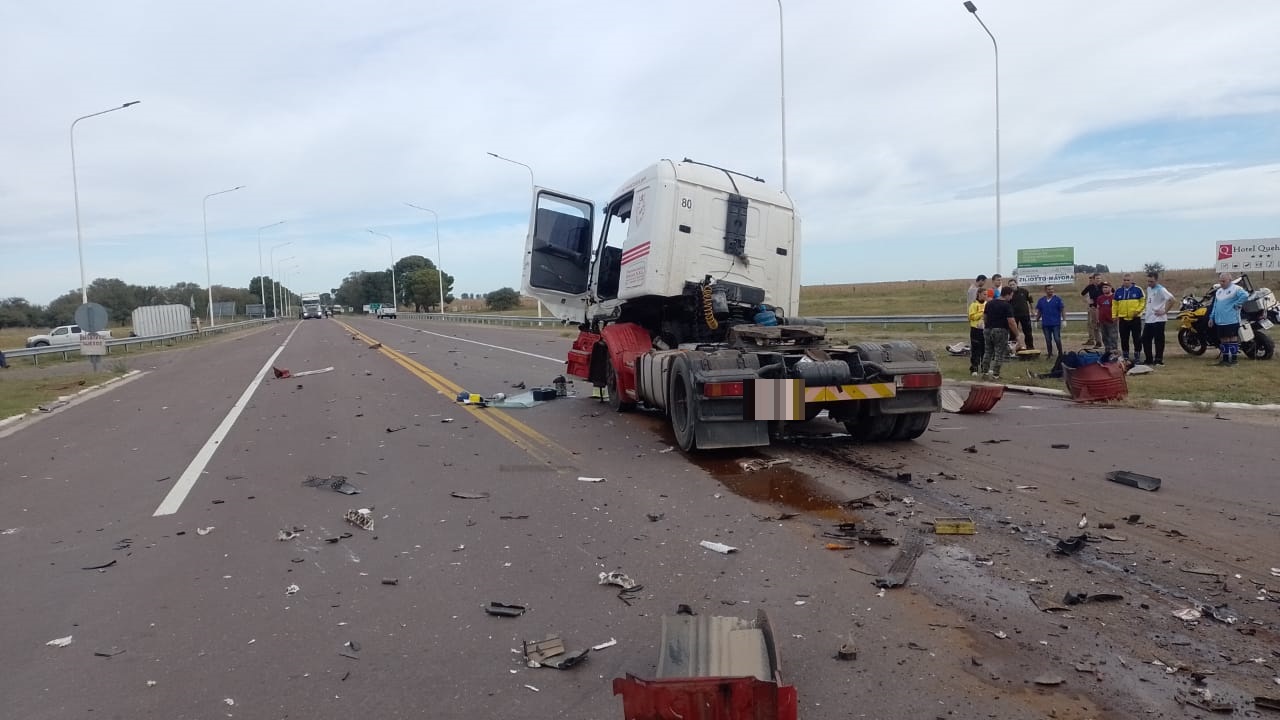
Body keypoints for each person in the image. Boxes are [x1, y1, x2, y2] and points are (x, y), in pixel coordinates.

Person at [1208, 272, 1250, 367]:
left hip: (1231, 319)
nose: (1222, 283)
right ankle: (1225, 359)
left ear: (1230, 280)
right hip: (1220, 320)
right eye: (1220, 281)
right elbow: (1215, 305)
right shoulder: (1219, 291)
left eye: (1224, 281)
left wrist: (1237, 304)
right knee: (1223, 339)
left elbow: (1245, 295)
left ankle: (1234, 360)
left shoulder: (1236, 289)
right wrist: (1211, 317)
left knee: (1232, 338)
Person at [980, 286, 1020, 380]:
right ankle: (995, 374)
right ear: (1007, 294)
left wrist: (988, 325)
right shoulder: (1006, 305)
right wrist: (1017, 334)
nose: (1011, 298)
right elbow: (1011, 321)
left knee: (988, 351)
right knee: (999, 353)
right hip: (1000, 330)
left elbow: (985, 317)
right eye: (1011, 295)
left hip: (988, 329)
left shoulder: (989, 303)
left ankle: (985, 372)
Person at [1140, 272, 1176, 366]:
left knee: (1158, 340)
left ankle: (1158, 360)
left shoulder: (1161, 289)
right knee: (1145, 339)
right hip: (1149, 318)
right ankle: (1149, 359)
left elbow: (1172, 300)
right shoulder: (1149, 289)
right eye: (1148, 281)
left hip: (1158, 319)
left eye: (1151, 281)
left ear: (1156, 280)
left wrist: (1164, 311)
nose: (1149, 283)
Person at [1113, 272, 1146, 361]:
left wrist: (1138, 311)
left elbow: (1143, 302)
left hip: (1135, 318)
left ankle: (1137, 355)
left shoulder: (1138, 290)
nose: (1126, 282)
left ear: (1132, 281)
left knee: (1137, 338)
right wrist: (1114, 315)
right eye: (1124, 280)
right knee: (1124, 338)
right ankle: (1126, 355)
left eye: (1128, 280)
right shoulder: (1118, 291)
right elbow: (1115, 305)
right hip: (1123, 318)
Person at [1035, 284, 1065, 359]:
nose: (1050, 290)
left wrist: (1064, 320)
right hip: (1046, 323)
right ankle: (1049, 354)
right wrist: (1036, 320)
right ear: (1045, 290)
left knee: (1057, 338)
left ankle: (1060, 353)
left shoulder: (1058, 299)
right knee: (1048, 340)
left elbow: (1062, 309)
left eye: (1052, 289)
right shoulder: (1041, 300)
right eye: (1049, 289)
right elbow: (1039, 311)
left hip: (1055, 323)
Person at [1007, 278, 1034, 350]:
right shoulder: (1008, 294)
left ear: (1016, 284)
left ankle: (1030, 347)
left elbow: (1030, 300)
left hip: (1025, 315)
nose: (1012, 286)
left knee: (1028, 332)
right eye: (1010, 285)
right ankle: (1012, 350)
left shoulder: (1024, 291)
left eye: (1013, 284)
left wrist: (1032, 309)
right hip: (1013, 316)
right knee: (1013, 333)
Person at [1080, 273, 1103, 348]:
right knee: (1095, 325)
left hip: (1103, 308)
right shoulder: (1090, 287)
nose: (1098, 280)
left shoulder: (1104, 286)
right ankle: (1098, 342)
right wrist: (1088, 300)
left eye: (1099, 278)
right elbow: (1082, 293)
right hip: (1094, 308)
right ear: (1094, 279)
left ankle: (1108, 342)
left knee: (1105, 325)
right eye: (1096, 278)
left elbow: (1112, 292)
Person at [1096, 282, 1119, 356]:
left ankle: (1114, 353)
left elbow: (1118, 308)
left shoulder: (1115, 297)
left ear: (1110, 287)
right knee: (1105, 337)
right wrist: (1097, 319)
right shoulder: (1100, 298)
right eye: (1103, 287)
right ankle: (1107, 352)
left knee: (1113, 337)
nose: (1104, 289)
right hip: (1102, 321)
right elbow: (1097, 309)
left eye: (1106, 287)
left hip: (1112, 321)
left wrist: (1117, 317)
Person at [967, 292, 987, 376]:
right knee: (975, 349)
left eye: (986, 294)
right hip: (975, 329)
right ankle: (974, 368)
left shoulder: (987, 304)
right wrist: (982, 313)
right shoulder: (974, 304)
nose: (985, 296)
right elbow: (971, 317)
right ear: (979, 294)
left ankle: (984, 367)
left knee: (985, 349)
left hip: (985, 329)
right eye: (984, 294)